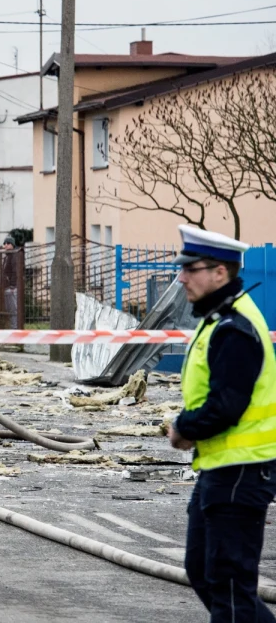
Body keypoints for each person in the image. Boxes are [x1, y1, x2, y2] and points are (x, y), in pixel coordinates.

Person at [168, 224, 276, 623]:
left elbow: (226, 406)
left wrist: (184, 428)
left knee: (230, 588)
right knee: (204, 572)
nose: (181, 277)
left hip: (240, 470)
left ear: (219, 272)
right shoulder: (218, 319)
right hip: (221, 468)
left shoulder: (234, 328)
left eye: (189, 269)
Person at [0, 237, 20, 329]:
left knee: (13, 310)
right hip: (7, 287)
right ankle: (12, 327)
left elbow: (15, 272)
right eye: (5, 243)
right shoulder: (7, 256)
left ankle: (14, 329)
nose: (6, 245)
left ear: (12, 245)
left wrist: (12, 285)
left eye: (8, 243)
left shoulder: (14, 256)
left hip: (12, 288)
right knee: (9, 310)